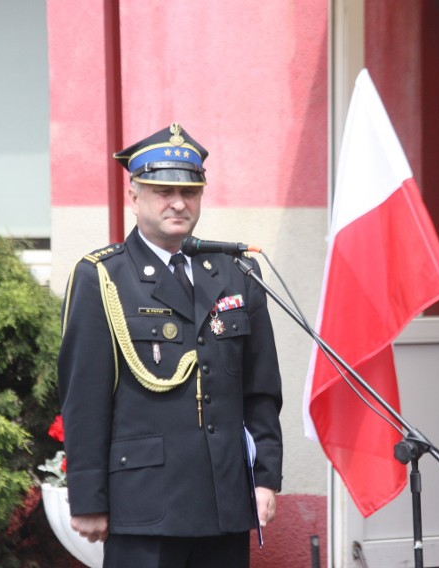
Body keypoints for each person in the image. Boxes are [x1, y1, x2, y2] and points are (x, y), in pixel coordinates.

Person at [57, 123, 283, 568]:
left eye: (191, 192)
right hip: (144, 506)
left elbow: (260, 390)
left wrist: (265, 478)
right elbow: (83, 398)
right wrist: (88, 497)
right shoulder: (103, 277)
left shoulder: (236, 273)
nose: (179, 203)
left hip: (224, 503)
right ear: (133, 195)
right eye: (163, 190)